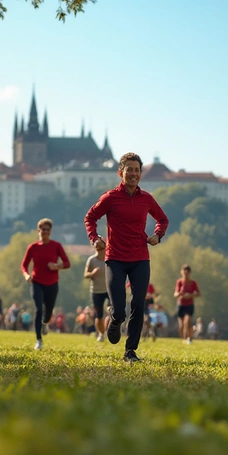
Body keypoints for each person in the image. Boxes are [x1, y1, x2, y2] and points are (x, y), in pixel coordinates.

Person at [84, 152, 169, 363]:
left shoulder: (146, 199)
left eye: (137, 170)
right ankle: (115, 319)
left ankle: (130, 351)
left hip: (140, 257)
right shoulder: (110, 197)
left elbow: (163, 219)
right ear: (120, 172)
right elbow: (90, 217)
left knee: (139, 304)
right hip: (115, 259)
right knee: (120, 309)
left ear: (140, 173)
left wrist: (158, 235)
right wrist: (94, 238)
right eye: (129, 169)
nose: (133, 174)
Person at [21, 218, 71, 350]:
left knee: (48, 312)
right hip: (36, 282)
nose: (45, 232)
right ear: (38, 231)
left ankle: (45, 323)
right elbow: (24, 265)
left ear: (50, 231)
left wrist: (56, 266)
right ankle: (39, 340)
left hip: (52, 284)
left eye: (47, 230)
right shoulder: (33, 247)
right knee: (38, 309)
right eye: (43, 229)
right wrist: (26, 275)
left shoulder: (56, 246)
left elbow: (67, 263)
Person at [84, 243, 108, 342]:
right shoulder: (92, 260)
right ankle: (102, 334)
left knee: (112, 310)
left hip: (109, 290)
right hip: (96, 291)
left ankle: (111, 329)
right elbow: (85, 275)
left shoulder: (109, 259)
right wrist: (92, 273)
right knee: (99, 314)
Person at [174, 264, 201, 345]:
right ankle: (183, 339)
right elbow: (175, 294)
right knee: (181, 325)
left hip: (189, 304)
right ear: (181, 272)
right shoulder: (179, 282)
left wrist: (191, 295)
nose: (186, 273)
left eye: (187, 272)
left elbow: (198, 294)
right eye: (184, 272)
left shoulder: (193, 283)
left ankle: (189, 338)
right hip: (180, 304)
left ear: (190, 273)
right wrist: (179, 294)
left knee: (188, 321)